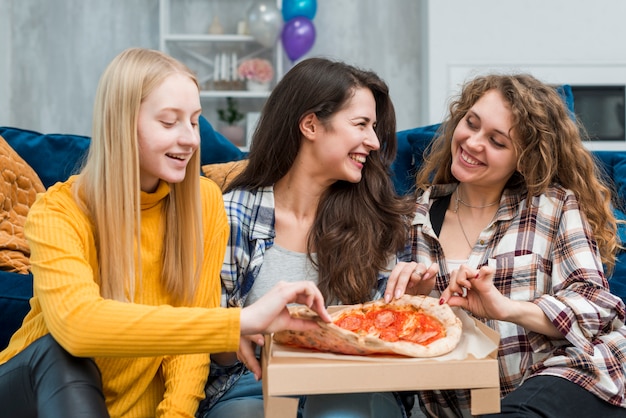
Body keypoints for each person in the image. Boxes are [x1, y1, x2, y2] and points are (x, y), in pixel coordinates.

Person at [0, 47, 331, 418]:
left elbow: (189, 354)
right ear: (123, 125)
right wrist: (239, 321)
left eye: (194, 121)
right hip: (29, 395)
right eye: (169, 122)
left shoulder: (203, 205)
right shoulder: (58, 211)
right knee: (59, 353)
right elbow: (78, 326)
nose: (190, 138)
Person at [197, 57, 438, 418]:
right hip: (251, 382)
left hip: (352, 379)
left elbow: (383, 336)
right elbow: (209, 348)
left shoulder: (376, 214)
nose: (373, 141)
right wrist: (232, 334)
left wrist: (409, 300)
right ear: (310, 124)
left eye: (374, 127)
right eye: (361, 124)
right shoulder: (233, 213)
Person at [390, 73, 626, 417]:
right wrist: (413, 301)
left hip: (575, 376)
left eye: (497, 142)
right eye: (471, 123)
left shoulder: (554, 206)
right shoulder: (411, 220)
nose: (473, 142)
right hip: (467, 406)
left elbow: (596, 308)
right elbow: (387, 330)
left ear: (525, 158)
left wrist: (504, 307)